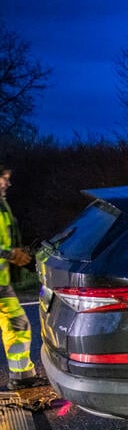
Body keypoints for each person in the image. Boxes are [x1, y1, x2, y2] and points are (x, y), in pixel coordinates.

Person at [0, 166, 41, 390]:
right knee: (17, 323)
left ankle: (22, 376)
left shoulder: (2, 206)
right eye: (4, 179)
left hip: (2, 284)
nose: (8, 184)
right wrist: (10, 254)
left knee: (17, 324)